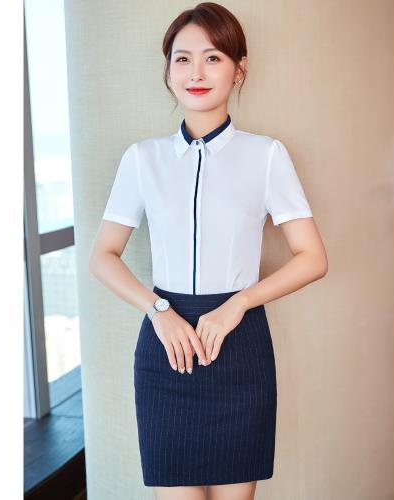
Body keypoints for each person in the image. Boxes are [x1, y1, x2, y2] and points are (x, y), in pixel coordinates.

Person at [89, 3, 328, 499]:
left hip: (240, 346)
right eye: (183, 59)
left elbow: (312, 258)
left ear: (239, 68)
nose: (196, 73)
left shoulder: (266, 155)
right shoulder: (142, 159)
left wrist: (239, 303)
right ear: (168, 70)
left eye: (213, 57)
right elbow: (102, 256)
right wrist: (158, 310)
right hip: (167, 349)